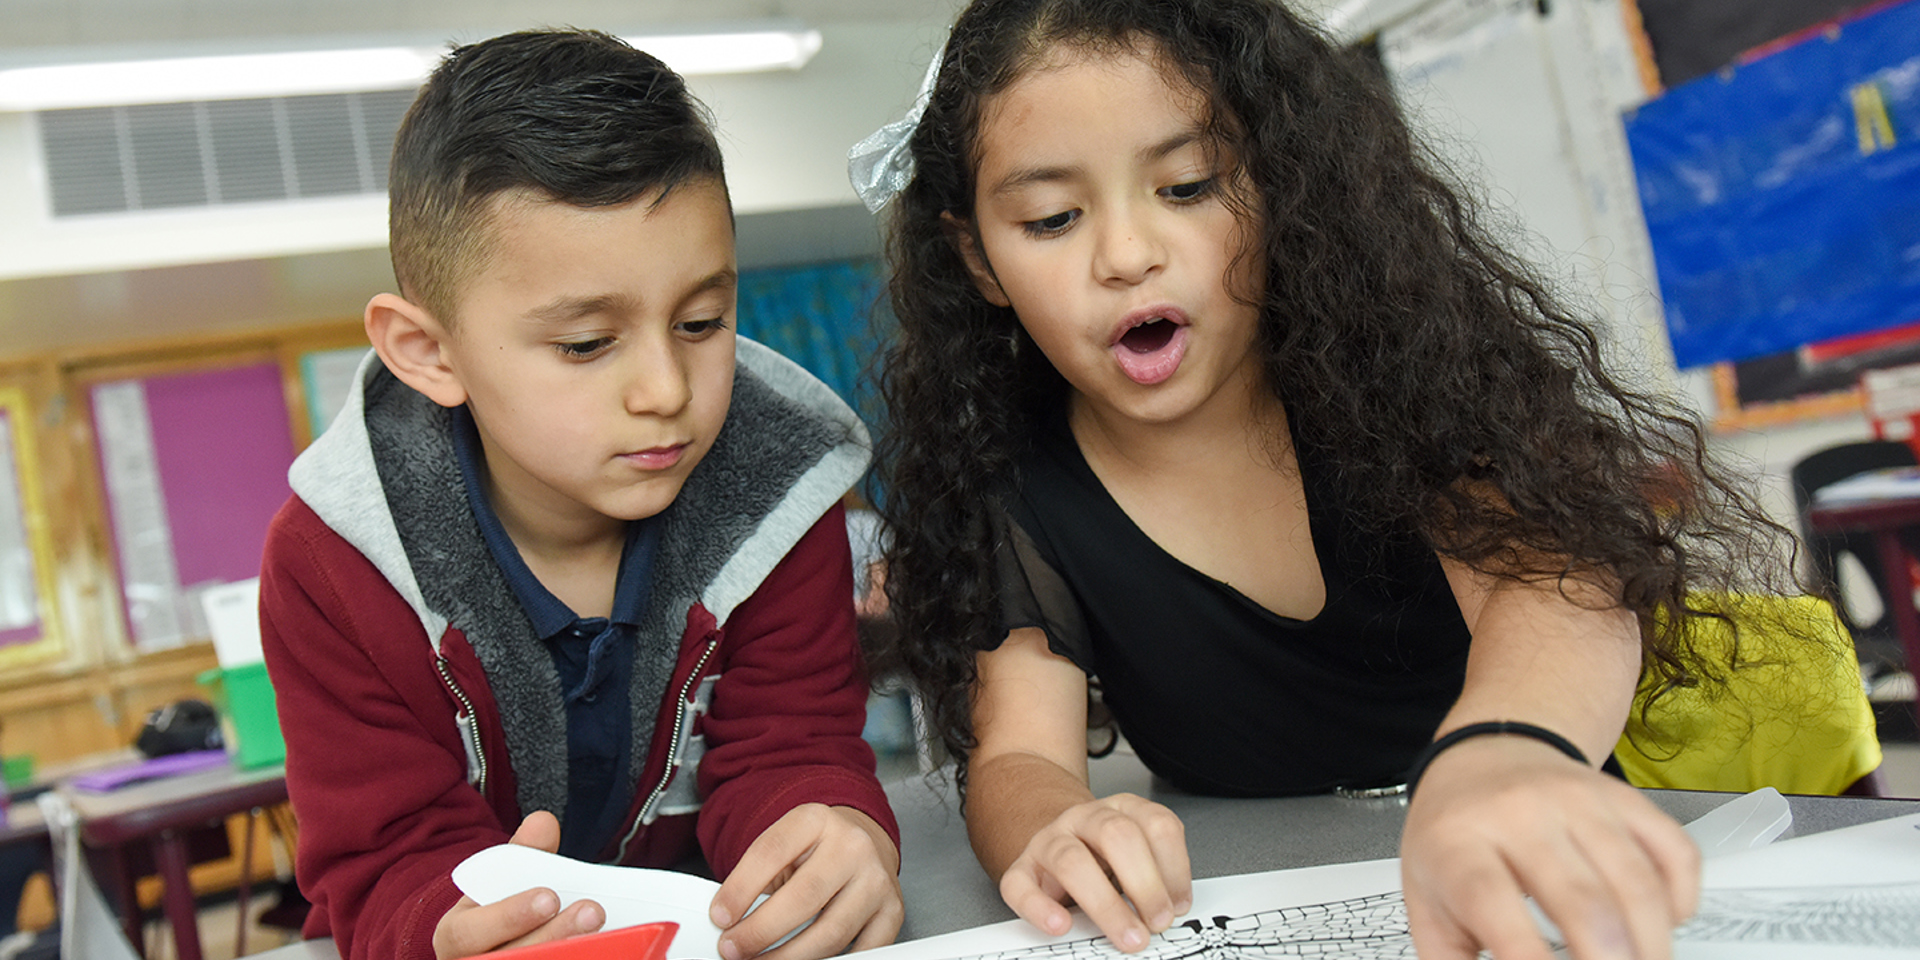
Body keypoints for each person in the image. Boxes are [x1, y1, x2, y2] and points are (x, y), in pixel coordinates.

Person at [859, 1, 1807, 958]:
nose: (1127, 256)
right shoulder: (1018, 485)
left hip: (1530, 870)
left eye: (1187, 187)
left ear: (1281, 185)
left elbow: (1557, 593)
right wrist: (1055, 827)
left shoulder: (1394, 377)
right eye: (1053, 218)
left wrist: (1504, 752)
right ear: (980, 257)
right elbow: (1020, 753)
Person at [260, 29, 901, 960]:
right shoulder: (333, 564)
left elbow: (791, 749)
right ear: (430, 353)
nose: (667, 391)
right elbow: (386, 857)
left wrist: (831, 830)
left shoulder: (783, 493)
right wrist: (446, 934)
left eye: (700, 321)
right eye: (587, 344)